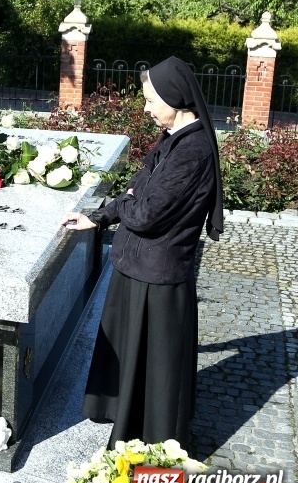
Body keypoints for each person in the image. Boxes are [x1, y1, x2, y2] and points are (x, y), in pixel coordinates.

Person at [61, 56, 224, 449]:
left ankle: (155, 438)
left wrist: (133, 202)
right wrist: (99, 218)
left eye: (151, 100)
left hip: (159, 275)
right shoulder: (172, 140)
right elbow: (137, 189)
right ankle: (122, 414)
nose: (146, 108)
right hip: (137, 266)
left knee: (157, 365)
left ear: (176, 98)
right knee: (130, 352)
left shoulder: (193, 151)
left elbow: (147, 213)